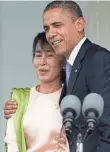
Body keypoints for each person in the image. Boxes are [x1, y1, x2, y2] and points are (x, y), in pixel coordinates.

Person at [4, 1, 110, 152]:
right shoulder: (72, 67)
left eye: (57, 25)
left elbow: (108, 126)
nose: (51, 33)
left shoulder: (96, 58)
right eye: (47, 28)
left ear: (79, 24)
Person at [4, 31, 70, 152]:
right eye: (38, 55)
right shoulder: (20, 99)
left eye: (50, 55)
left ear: (63, 63)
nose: (42, 62)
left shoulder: (71, 99)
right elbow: (12, 143)